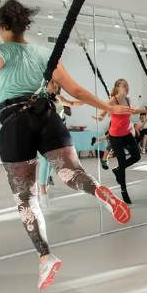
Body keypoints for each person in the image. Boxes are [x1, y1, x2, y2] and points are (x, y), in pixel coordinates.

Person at [0, 0, 131, 289]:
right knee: (71, 173)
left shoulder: (0, 51)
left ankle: (46, 256)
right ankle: (99, 191)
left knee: (25, 197)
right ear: (25, 26)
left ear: (2, 27)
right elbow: (77, 91)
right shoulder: (44, 54)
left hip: (16, 123)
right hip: (48, 117)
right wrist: (109, 107)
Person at [94, 79, 146, 204]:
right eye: (124, 86)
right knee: (122, 161)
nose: (126, 88)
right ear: (117, 87)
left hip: (126, 133)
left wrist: (140, 110)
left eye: (127, 85)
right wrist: (99, 117)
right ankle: (123, 190)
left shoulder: (128, 99)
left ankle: (117, 170)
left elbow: (130, 112)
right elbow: (103, 112)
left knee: (137, 156)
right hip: (115, 136)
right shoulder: (113, 100)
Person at [37, 80, 84, 209]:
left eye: (56, 83)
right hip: (42, 134)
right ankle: (42, 192)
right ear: (45, 85)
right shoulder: (40, 98)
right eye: (52, 82)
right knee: (45, 162)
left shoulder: (58, 98)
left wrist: (86, 101)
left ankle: (44, 185)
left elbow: (72, 103)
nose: (55, 84)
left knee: (52, 163)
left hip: (57, 135)